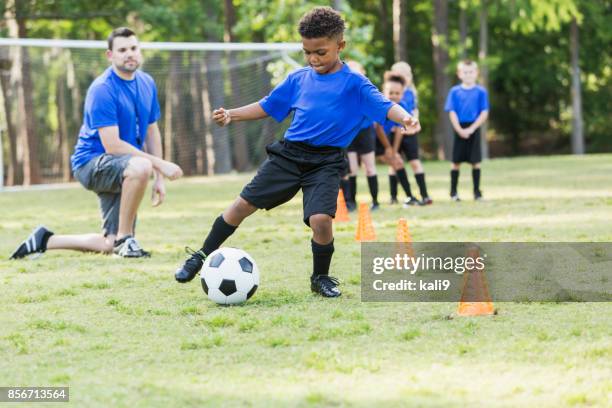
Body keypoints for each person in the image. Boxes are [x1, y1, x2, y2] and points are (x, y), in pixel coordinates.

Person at [173, 7, 420, 297]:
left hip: (326, 162)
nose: (313, 59)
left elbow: (384, 105)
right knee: (240, 207)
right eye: (307, 52)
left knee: (321, 221)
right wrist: (232, 114)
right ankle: (200, 256)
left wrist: (405, 118)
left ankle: (320, 277)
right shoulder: (298, 79)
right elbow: (267, 105)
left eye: (321, 52)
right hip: (289, 156)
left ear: (340, 46)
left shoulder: (355, 84)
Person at [9, 27, 183, 260]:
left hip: (122, 166)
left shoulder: (147, 83)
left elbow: (152, 130)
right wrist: (160, 165)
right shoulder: (102, 89)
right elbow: (112, 146)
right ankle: (125, 239)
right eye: (122, 50)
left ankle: (44, 240)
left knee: (107, 243)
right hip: (91, 164)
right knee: (142, 166)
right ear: (110, 55)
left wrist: (159, 179)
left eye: (133, 48)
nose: (129, 53)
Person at [374, 73, 422, 207]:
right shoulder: (380, 104)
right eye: (391, 92)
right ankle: (406, 196)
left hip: (389, 139)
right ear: (384, 91)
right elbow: (378, 129)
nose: (394, 95)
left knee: (398, 162)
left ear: (402, 93)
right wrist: (389, 149)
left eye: (397, 93)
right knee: (396, 163)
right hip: (377, 139)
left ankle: (407, 196)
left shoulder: (403, 105)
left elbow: (401, 130)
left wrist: (394, 151)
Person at [444, 59, 489, 201]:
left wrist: (472, 128)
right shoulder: (454, 91)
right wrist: (459, 129)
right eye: (465, 72)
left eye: (471, 72)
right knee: (456, 162)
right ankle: (453, 193)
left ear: (476, 73)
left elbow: (484, 112)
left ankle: (477, 192)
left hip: (474, 128)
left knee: (476, 161)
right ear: (459, 74)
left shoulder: (481, 91)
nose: (468, 75)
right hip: (459, 128)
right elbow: (451, 111)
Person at [390, 61, 432, 205]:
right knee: (394, 162)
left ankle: (424, 195)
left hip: (409, 132)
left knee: (415, 162)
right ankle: (393, 196)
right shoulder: (390, 92)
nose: (403, 77)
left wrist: (415, 123)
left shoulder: (411, 93)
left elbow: (414, 111)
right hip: (394, 131)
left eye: (406, 74)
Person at [345, 60, 380, 211]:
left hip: (366, 132)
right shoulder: (343, 91)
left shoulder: (367, 89)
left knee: (370, 168)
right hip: (350, 133)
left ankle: (375, 201)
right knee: (352, 169)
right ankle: (351, 202)